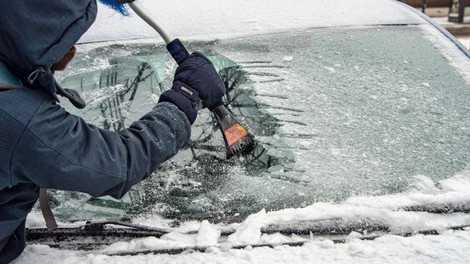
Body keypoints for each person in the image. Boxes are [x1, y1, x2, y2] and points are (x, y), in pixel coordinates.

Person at [0, 0, 226, 262]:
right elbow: (119, 163)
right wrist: (185, 98)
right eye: (68, 37)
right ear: (42, 39)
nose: (73, 49)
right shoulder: (18, 117)